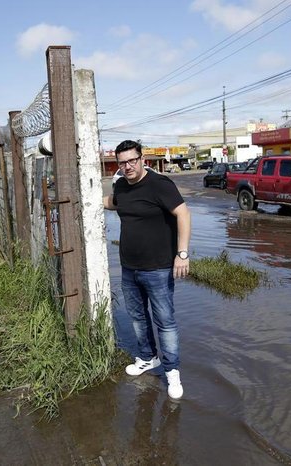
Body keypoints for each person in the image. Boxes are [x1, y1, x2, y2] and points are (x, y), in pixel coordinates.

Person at [103, 140, 191, 400]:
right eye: (123, 162)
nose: (128, 166)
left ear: (143, 160)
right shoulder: (121, 185)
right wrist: (84, 200)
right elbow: (115, 202)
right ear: (118, 164)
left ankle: (172, 371)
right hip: (129, 267)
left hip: (159, 267)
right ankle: (147, 357)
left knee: (165, 321)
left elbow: (183, 214)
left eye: (133, 160)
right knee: (138, 317)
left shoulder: (160, 184)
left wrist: (182, 254)